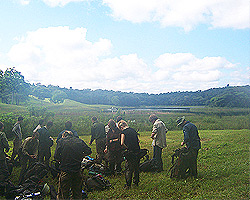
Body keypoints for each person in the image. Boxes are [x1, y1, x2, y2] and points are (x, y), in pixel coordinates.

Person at [54, 131, 92, 199]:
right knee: (77, 193)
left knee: (64, 193)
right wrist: (80, 156)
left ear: (64, 136)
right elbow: (89, 151)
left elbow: (56, 156)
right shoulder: (79, 141)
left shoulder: (61, 141)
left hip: (65, 171)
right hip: (77, 170)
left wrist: (62, 160)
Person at [118, 120, 140, 189]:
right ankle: (136, 182)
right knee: (136, 167)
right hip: (137, 150)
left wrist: (127, 147)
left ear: (121, 127)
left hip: (130, 152)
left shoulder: (123, 132)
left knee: (128, 168)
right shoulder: (133, 130)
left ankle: (128, 185)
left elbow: (122, 143)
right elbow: (138, 140)